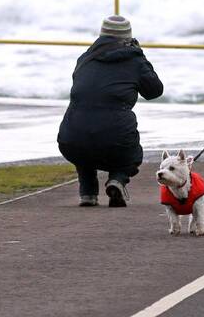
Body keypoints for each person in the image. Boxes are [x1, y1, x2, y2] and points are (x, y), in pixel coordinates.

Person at [57, 15, 164, 207]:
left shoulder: (84, 59)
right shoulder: (135, 60)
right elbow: (155, 91)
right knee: (132, 153)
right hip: (113, 139)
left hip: (69, 139)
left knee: (84, 142)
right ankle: (117, 179)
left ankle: (87, 193)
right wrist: (140, 55)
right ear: (127, 38)